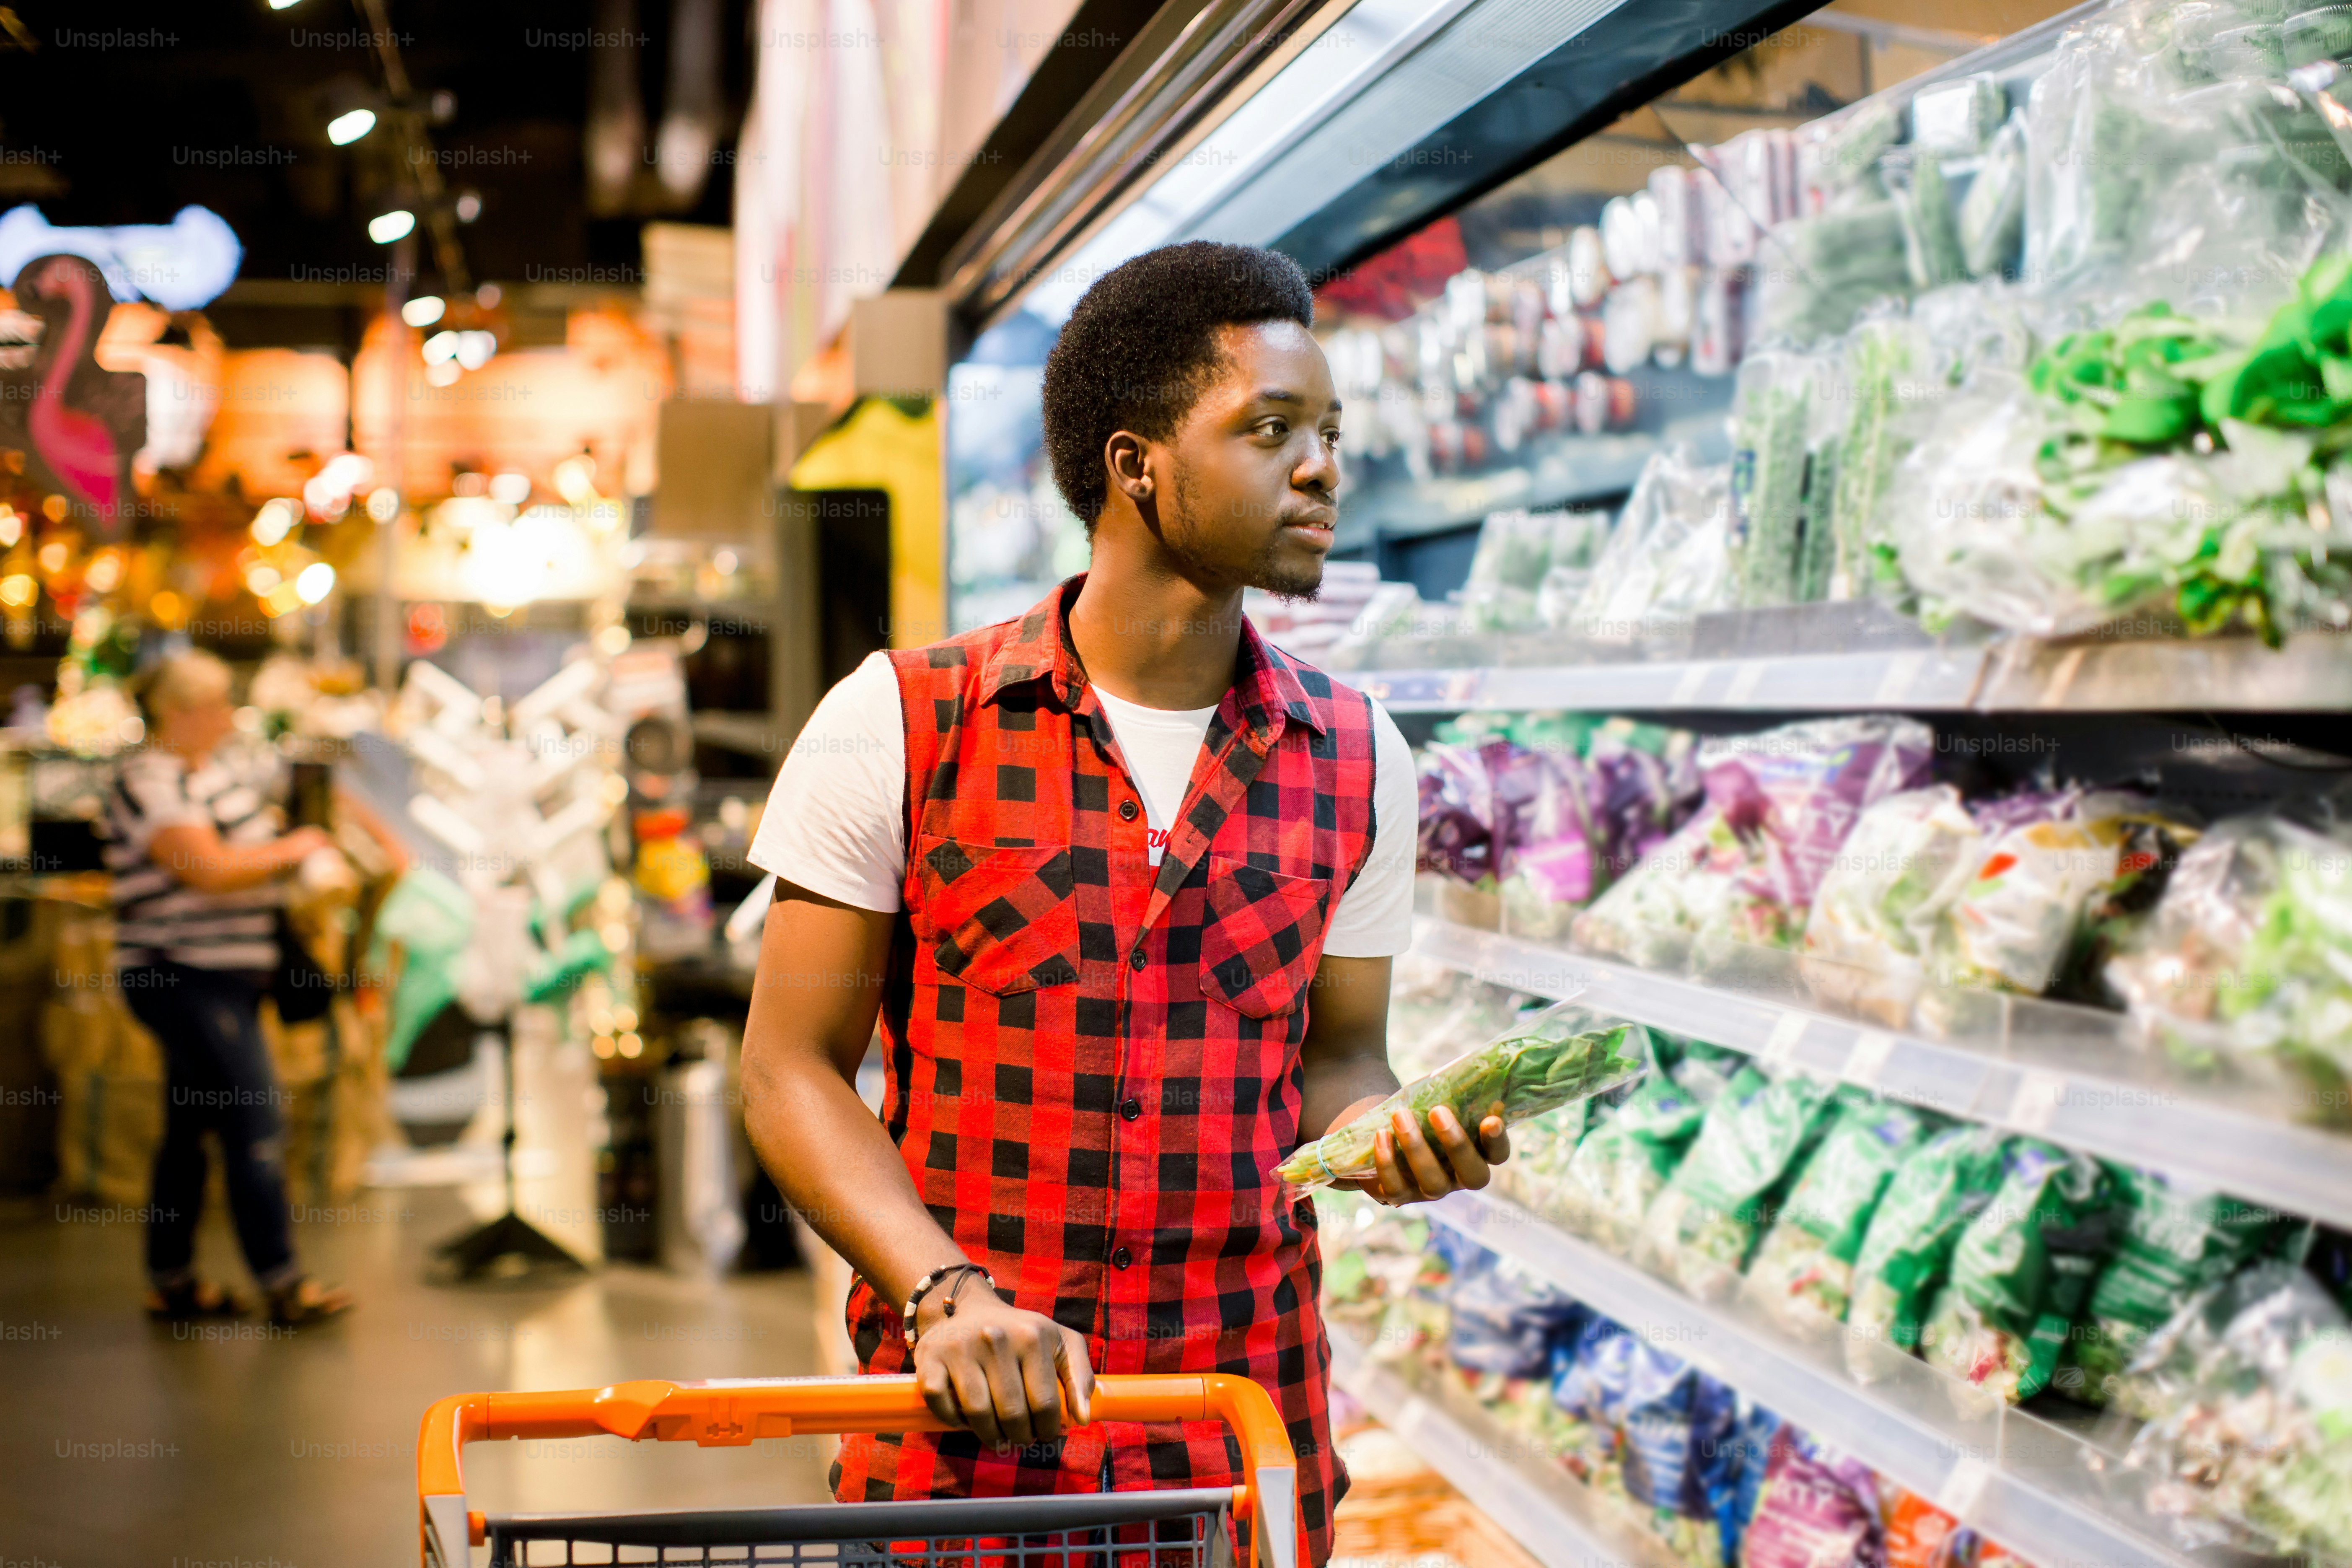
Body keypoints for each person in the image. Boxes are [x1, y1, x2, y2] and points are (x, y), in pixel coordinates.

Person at [740, 241, 1508, 1564]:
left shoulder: (1359, 753)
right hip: (964, 1450)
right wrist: (940, 1289)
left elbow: (1334, 1057)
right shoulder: (903, 722)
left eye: (1327, 430)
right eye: (1270, 429)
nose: (1320, 466)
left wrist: (1388, 1133)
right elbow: (789, 1069)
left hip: (1238, 1442)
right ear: (1134, 464)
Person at [107, 649, 357, 1325]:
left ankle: (173, 1280)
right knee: (254, 1117)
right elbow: (206, 868)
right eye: (215, 704)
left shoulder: (213, 775)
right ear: (177, 710)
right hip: (180, 975)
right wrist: (294, 850)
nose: (227, 717)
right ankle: (283, 1282)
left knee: (187, 1130)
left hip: (231, 977)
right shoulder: (147, 779)